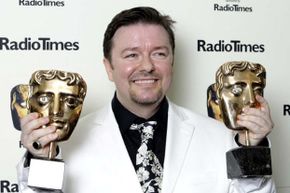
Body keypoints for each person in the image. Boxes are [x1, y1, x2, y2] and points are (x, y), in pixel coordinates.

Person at [17, 6, 276, 193]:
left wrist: (252, 150)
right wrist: (41, 160)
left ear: (172, 62)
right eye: (131, 55)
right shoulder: (64, 145)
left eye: (159, 53)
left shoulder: (221, 137)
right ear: (109, 67)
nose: (147, 66)